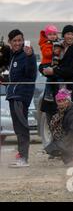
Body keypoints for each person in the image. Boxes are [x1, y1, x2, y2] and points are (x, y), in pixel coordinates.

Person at [41, 25, 73, 150]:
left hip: (66, 89)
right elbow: (45, 62)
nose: (70, 36)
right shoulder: (56, 46)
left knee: (66, 117)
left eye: (72, 34)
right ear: (63, 35)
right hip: (51, 89)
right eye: (68, 34)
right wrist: (43, 69)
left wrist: (53, 72)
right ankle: (56, 145)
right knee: (51, 115)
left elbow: (72, 70)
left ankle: (66, 147)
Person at [3, 29, 37, 168]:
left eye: (20, 40)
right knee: (17, 128)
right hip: (12, 95)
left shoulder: (27, 55)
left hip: (21, 96)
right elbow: (12, 77)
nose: (18, 43)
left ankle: (23, 158)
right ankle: (21, 156)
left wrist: (30, 57)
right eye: (15, 41)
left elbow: (30, 74)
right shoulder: (12, 56)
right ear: (10, 42)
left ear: (23, 41)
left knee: (22, 127)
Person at [39, 25, 63, 102]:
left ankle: (56, 93)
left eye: (54, 34)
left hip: (53, 63)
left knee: (54, 78)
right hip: (47, 63)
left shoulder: (58, 43)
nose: (52, 36)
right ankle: (48, 93)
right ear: (46, 35)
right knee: (51, 78)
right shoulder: (45, 44)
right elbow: (46, 54)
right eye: (50, 34)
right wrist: (53, 52)